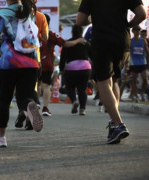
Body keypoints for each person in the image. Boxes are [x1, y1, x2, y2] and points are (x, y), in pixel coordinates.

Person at [77, 0, 146, 144]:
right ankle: (114, 124)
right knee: (113, 79)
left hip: (102, 40)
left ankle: (119, 125)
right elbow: (141, 14)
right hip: (123, 40)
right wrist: (128, 25)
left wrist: (95, 18)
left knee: (103, 81)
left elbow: (80, 20)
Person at [0, 0, 43, 147]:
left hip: (9, 63)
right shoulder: (29, 12)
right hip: (32, 63)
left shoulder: (2, 14)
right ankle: (30, 105)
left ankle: (0, 137)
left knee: (4, 100)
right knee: (24, 96)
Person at [38, 14, 86, 117]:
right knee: (46, 86)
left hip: (33, 63)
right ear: (48, 23)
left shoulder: (32, 34)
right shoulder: (51, 34)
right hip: (47, 64)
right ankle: (45, 108)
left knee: (35, 85)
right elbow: (65, 44)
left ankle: (35, 105)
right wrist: (79, 40)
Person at [59, 24, 92, 115]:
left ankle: (74, 101)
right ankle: (82, 109)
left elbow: (63, 58)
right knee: (82, 89)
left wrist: (61, 69)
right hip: (85, 68)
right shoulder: (86, 43)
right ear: (81, 32)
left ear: (72, 32)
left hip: (71, 68)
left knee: (69, 87)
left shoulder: (68, 43)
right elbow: (92, 56)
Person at [130, 25, 149, 102]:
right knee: (134, 80)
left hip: (142, 62)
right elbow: (127, 52)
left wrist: (148, 61)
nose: (138, 32)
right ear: (133, 31)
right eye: (136, 30)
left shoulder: (143, 40)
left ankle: (143, 93)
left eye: (139, 30)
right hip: (134, 63)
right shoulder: (131, 41)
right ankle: (135, 95)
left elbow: (147, 52)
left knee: (145, 79)